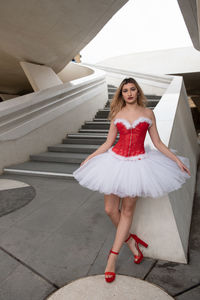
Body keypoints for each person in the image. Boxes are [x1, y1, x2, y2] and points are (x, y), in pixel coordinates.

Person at [73, 77, 191, 283]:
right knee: (110, 210)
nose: (129, 93)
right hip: (114, 162)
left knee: (127, 211)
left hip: (138, 165)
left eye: (132, 89)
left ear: (138, 92)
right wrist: (90, 158)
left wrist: (175, 160)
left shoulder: (148, 113)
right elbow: (108, 143)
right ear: (121, 93)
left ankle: (112, 257)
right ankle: (130, 240)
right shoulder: (117, 114)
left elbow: (158, 143)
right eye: (125, 90)